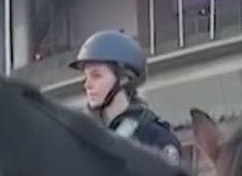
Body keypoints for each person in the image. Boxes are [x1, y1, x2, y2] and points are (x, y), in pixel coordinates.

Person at [70, 30, 182, 163]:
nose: (87, 85)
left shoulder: (155, 137)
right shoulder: (83, 136)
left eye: (96, 76)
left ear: (124, 78)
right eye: (86, 76)